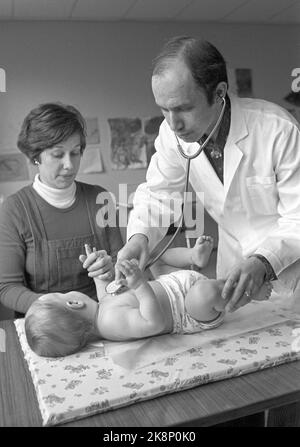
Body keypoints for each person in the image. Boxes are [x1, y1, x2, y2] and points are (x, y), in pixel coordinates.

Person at [116, 36, 300, 314]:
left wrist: (264, 261)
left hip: (287, 266)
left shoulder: (277, 130)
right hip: (233, 262)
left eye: (183, 108)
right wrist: (139, 238)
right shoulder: (171, 135)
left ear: (219, 92)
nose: (173, 123)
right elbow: (158, 194)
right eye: (163, 109)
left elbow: (298, 217)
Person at [24, 239, 272, 357]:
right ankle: (249, 293)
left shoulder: (102, 308)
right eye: (61, 294)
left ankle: (193, 257)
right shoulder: (111, 324)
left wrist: (98, 266)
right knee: (206, 293)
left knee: (154, 254)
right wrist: (140, 286)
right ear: (74, 303)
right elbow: (152, 322)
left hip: (172, 285)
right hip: (188, 310)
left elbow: (107, 283)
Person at [0, 103, 123, 315]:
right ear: (35, 156)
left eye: (76, 153)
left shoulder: (100, 199)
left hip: (102, 315)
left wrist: (110, 271)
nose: (69, 165)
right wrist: (60, 307)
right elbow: (7, 288)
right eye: (58, 154)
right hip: (46, 320)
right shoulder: (14, 209)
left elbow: (122, 265)